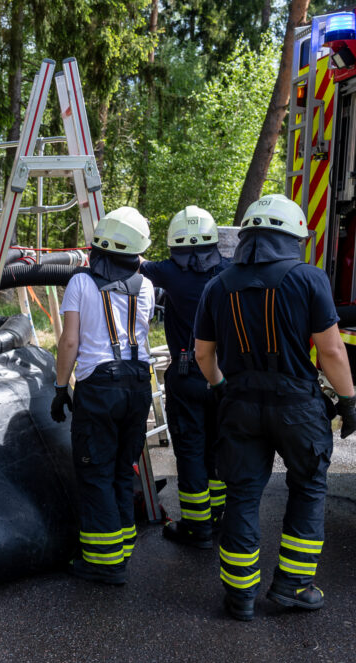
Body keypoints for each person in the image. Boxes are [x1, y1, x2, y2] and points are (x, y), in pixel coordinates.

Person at [193, 194, 356, 622]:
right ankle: (292, 587)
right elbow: (332, 351)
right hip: (297, 408)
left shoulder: (217, 285)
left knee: (242, 495)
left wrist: (219, 388)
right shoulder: (309, 279)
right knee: (307, 489)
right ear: (293, 237)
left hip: (240, 406)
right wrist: (348, 401)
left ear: (246, 237)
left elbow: (202, 355)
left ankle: (240, 596)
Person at [51, 206, 157, 585]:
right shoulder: (145, 284)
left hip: (99, 387)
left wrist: (61, 387)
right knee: (119, 468)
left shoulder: (80, 282)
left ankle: (104, 563)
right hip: (138, 384)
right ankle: (122, 545)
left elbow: (69, 342)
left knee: (95, 471)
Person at [141, 206, 230, 549]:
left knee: (191, 451)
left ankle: (197, 528)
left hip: (186, 374)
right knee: (217, 449)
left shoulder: (167, 272)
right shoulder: (228, 270)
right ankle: (217, 516)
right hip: (222, 378)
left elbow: (127, 261)